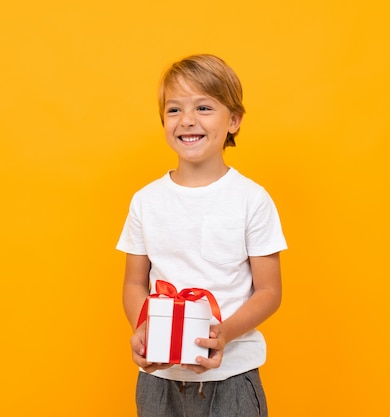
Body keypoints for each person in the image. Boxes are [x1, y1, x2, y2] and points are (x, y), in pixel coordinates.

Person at [117, 54, 287, 417]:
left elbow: (269, 292)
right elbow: (134, 284)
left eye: (204, 107)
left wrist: (222, 333)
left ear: (234, 121)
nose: (188, 120)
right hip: (158, 381)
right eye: (174, 109)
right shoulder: (146, 201)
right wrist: (143, 328)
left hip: (231, 379)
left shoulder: (251, 200)